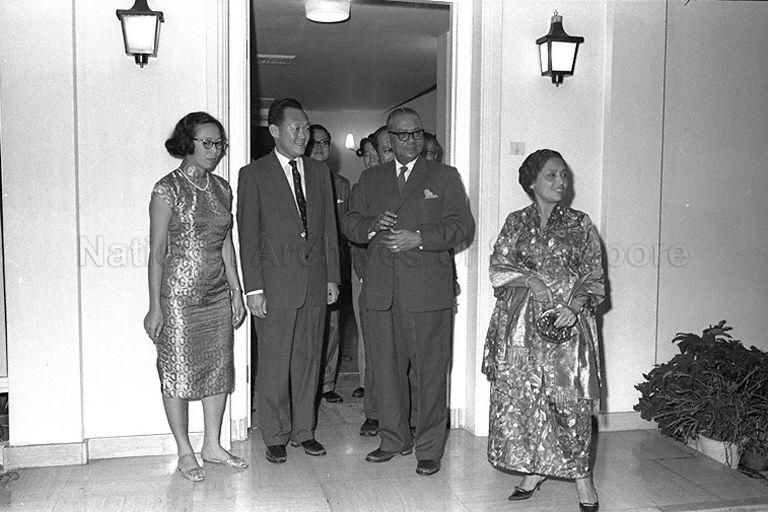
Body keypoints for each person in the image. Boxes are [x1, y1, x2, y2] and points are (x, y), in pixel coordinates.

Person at [343, 107, 475, 476]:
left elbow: (462, 227)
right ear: (389, 138)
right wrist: (372, 226)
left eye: (417, 133)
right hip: (382, 292)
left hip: (428, 293)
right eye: (402, 135)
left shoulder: (444, 176)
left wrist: (420, 238)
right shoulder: (371, 180)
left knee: (432, 373)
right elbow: (351, 224)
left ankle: (429, 447)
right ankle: (392, 439)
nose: (411, 140)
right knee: (385, 371)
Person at [482, 149, 604, 512]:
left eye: (563, 175)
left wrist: (575, 306)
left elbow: (594, 274)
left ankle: (583, 479)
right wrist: (530, 279)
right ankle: (534, 471)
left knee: (570, 403)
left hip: (567, 327)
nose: (560, 182)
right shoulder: (516, 222)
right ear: (532, 181)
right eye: (551, 175)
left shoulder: (580, 224)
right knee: (527, 399)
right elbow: (498, 267)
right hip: (520, 329)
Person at [144, 112, 248, 482]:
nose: (215, 151)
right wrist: (155, 305)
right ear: (187, 144)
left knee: (219, 369)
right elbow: (158, 252)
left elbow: (226, 245)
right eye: (208, 143)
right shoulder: (166, 189)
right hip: (179, 297)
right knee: (177, 372)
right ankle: (185, 451)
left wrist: (236, 291)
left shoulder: (222, 188)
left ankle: (212, 446)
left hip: (217, 293)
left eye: (219, 144)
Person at [237, 98, 340, 464]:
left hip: (314, 283)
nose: (303, 134)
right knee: (275, 364)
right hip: (275, 286)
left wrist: (332, 278)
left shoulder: (318, 172)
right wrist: (254, 288)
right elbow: (248, 236)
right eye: (295, 128)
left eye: (306, 127)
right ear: (275, 131)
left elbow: (328, 227)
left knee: (309, 361)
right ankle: (276, 434)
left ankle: (304, 431)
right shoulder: (254, 174)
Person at [306, 123, 349, 404]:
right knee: (308, 330)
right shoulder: (299, 180)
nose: (321, 148)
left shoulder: (342, 185)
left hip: (334, 263)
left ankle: (327, 384)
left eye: (325, 143)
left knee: (333, 326)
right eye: (316, 143)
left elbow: (344, 227)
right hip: (307, 265)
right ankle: (305, 386)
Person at [349, 135, 379, 436]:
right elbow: (355, 238)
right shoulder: (360, 189)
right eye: (366, 155)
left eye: (376, 154)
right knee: (369, 342)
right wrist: (364, 275)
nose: (371, 161)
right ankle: (372, 408)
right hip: (366, 277)